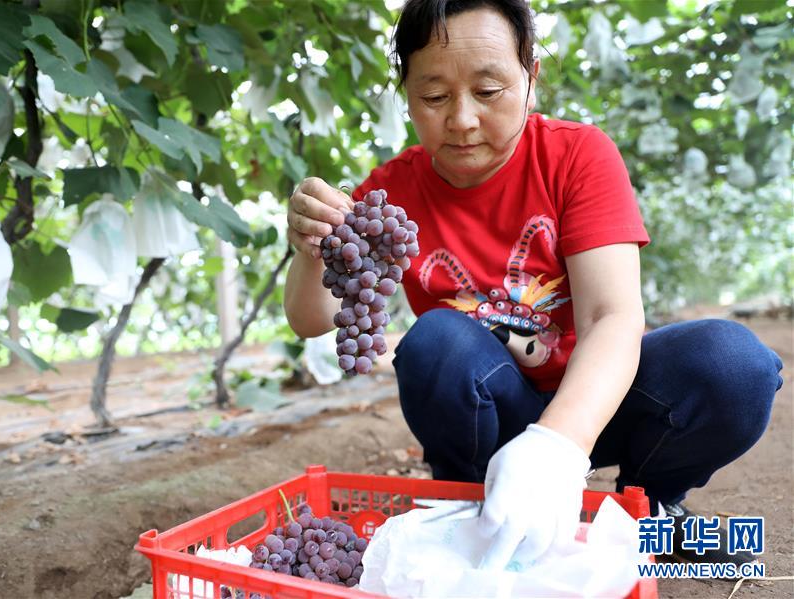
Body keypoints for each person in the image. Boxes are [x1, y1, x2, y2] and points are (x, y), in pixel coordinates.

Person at [283, 0, 783, 570]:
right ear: (407, 95)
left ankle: (649, 509)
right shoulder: (389, 196)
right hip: (487, 413)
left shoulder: (576, 157)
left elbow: (611, 318)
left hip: (597, 402)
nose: (463, 119)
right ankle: (470, 505)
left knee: (733, 365)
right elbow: (312, 320)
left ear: (530, 78)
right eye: (434, 97)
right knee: (435, 341)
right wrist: (309, 250)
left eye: (489, 91)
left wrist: (556, 448)